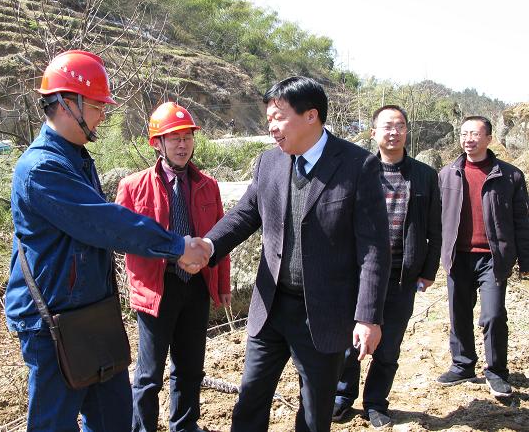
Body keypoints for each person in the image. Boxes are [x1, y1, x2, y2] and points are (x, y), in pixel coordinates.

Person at [5, 50, 209, 431]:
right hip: (54, 319)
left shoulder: (77, 157)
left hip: (90, 312)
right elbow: (106, 224)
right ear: (67, 103)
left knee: (114, 419)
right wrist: (178, 246)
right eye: (97, 106)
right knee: (54, 422)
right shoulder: (43, 168)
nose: (102, 115)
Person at [200, 76, 391, 431]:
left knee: (315, 412)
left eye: (279, 117)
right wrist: (208, 246)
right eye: (268, 118)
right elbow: (245, 214)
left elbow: (374, 250)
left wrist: (368, 316)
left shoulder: (357, 166)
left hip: (323, 312)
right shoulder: (269, 163)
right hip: (271, 305)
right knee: (250, 399)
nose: (271, 126)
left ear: (311, 116)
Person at [115, 102, 231, 432]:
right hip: (156, 288)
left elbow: (219, 236)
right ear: (157, 143)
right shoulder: (133, 187)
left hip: (195, 287)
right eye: (174, 138)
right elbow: (122, 238)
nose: (182, 145)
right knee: (149, 373)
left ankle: (184, 424)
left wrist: (221, 283)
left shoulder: (208, 185)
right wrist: (169, 253)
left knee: (191, 367)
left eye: (187, 138)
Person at [333, 105, 441, 428]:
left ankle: (376, 402)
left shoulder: (425, 175)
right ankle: (342, 396)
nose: (393, 132)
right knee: (349, 342)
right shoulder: (357, 170)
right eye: (387, 126)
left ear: (406, 131)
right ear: (374, 133)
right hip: (359, 273)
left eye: (400, 126)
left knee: (389, 344)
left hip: (400, 275)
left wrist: (428, 270)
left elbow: (435, 228)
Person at [437, 115, 529, 398]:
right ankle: (463, 364)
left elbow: (521, 221)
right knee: (459, 314)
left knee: (493, 315)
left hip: (493, 257)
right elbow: (435, 219)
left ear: (489, 138)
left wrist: (525, 261)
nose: (469, 139)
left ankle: (497, 371)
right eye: (464, 133)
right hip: (457, 256)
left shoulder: (510, 175)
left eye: (475, 134)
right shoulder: (447, 173)